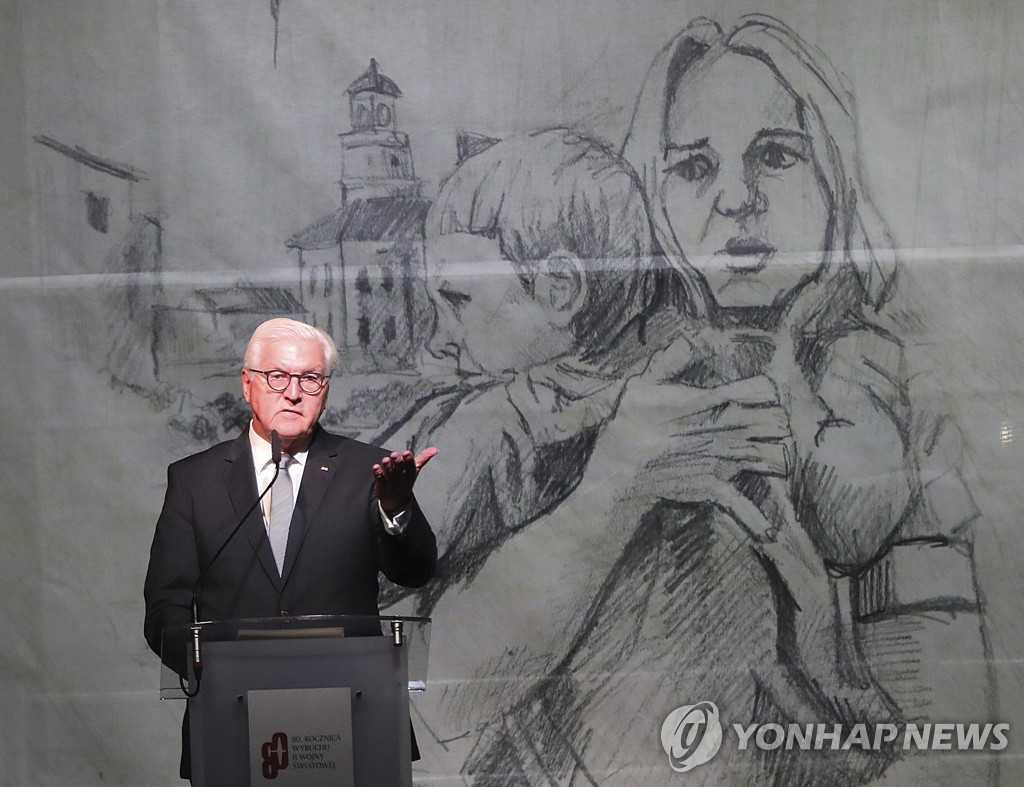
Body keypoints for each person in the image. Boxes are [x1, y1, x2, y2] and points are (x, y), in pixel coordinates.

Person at [429, 15, 991, 785]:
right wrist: (611, 488)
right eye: (693, 166)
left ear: (834, 175)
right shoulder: (571, 388)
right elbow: (433, 687)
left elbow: (960, 745)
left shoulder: (896, 397)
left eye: (776, 155)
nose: (737, 199)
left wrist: (830, 658)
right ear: (649, 191)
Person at [375, 128, 682, 616]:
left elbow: (361, 573)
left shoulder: (487, 428)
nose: (437, 340)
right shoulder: (462, 415)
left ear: (560, 289)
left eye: (457, 301)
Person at [143, 317, 439, 780]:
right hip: (230, 720)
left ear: (325, 390)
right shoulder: (194, 481)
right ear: (247, 383)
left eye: (310, 379)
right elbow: (166, 609)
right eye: (277, 376)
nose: (294, 393)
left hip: (354, 717)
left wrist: (396, 508)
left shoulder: (369, 470)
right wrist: (212, 668)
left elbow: (415, 572)